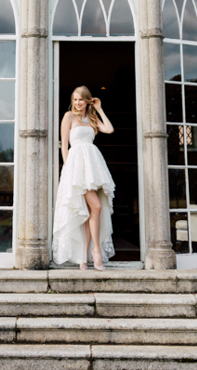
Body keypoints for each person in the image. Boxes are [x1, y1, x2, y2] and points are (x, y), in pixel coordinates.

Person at [52, 85, 115, 270]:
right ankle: (95, 251)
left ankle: (83, 257)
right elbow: (64, 145)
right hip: (76, 168)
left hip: (92, 168)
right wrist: (67, 170)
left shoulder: (93, 118)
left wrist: (99, 109)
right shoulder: (69, 117)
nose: (77, 103)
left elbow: (109, 129)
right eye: (75, 99)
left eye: (81, 99)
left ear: (87, 100)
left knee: (89, 212)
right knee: (95, 206)